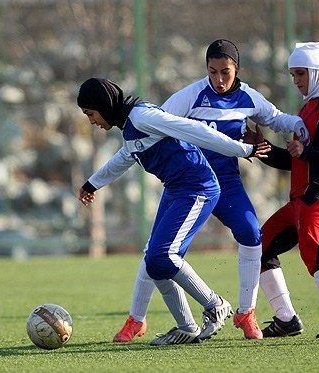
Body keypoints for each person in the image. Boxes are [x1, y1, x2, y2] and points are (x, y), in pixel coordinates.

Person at [112, 39, 310, 342]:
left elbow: (276, 119)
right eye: (213, 71)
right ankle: (135, 320)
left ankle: (246, 312)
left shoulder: (249, 98)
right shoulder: (190, 95)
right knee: (157, 251)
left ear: (237, 69)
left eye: (226, 72)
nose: (219, 79)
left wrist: (300, 124)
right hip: (189, 183)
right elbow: (156, 125)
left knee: (251, 234)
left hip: (227, 183)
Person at [76, 77, 271, 345]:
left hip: (197, 189)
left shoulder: (142, 116)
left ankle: (215, 305)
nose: (92, 121)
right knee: (155, 260)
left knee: (161, 256)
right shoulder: (130, 126)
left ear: (103, 104)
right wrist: (92, 183)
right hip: (177, 190)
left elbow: (195, 130)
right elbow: (125, 156)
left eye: (90, 113)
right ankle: (187, 327)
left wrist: (243, 149)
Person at [244, 42, 319, 338]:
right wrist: (261, 147)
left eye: (301, 74)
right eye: (293, 75)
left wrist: (305, 150)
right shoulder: (307, 107)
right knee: (261, 246)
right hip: (301, 196)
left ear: (317, 71)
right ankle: (286, 319)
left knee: (311, 248)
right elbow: (294, 159)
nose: (296, 81)